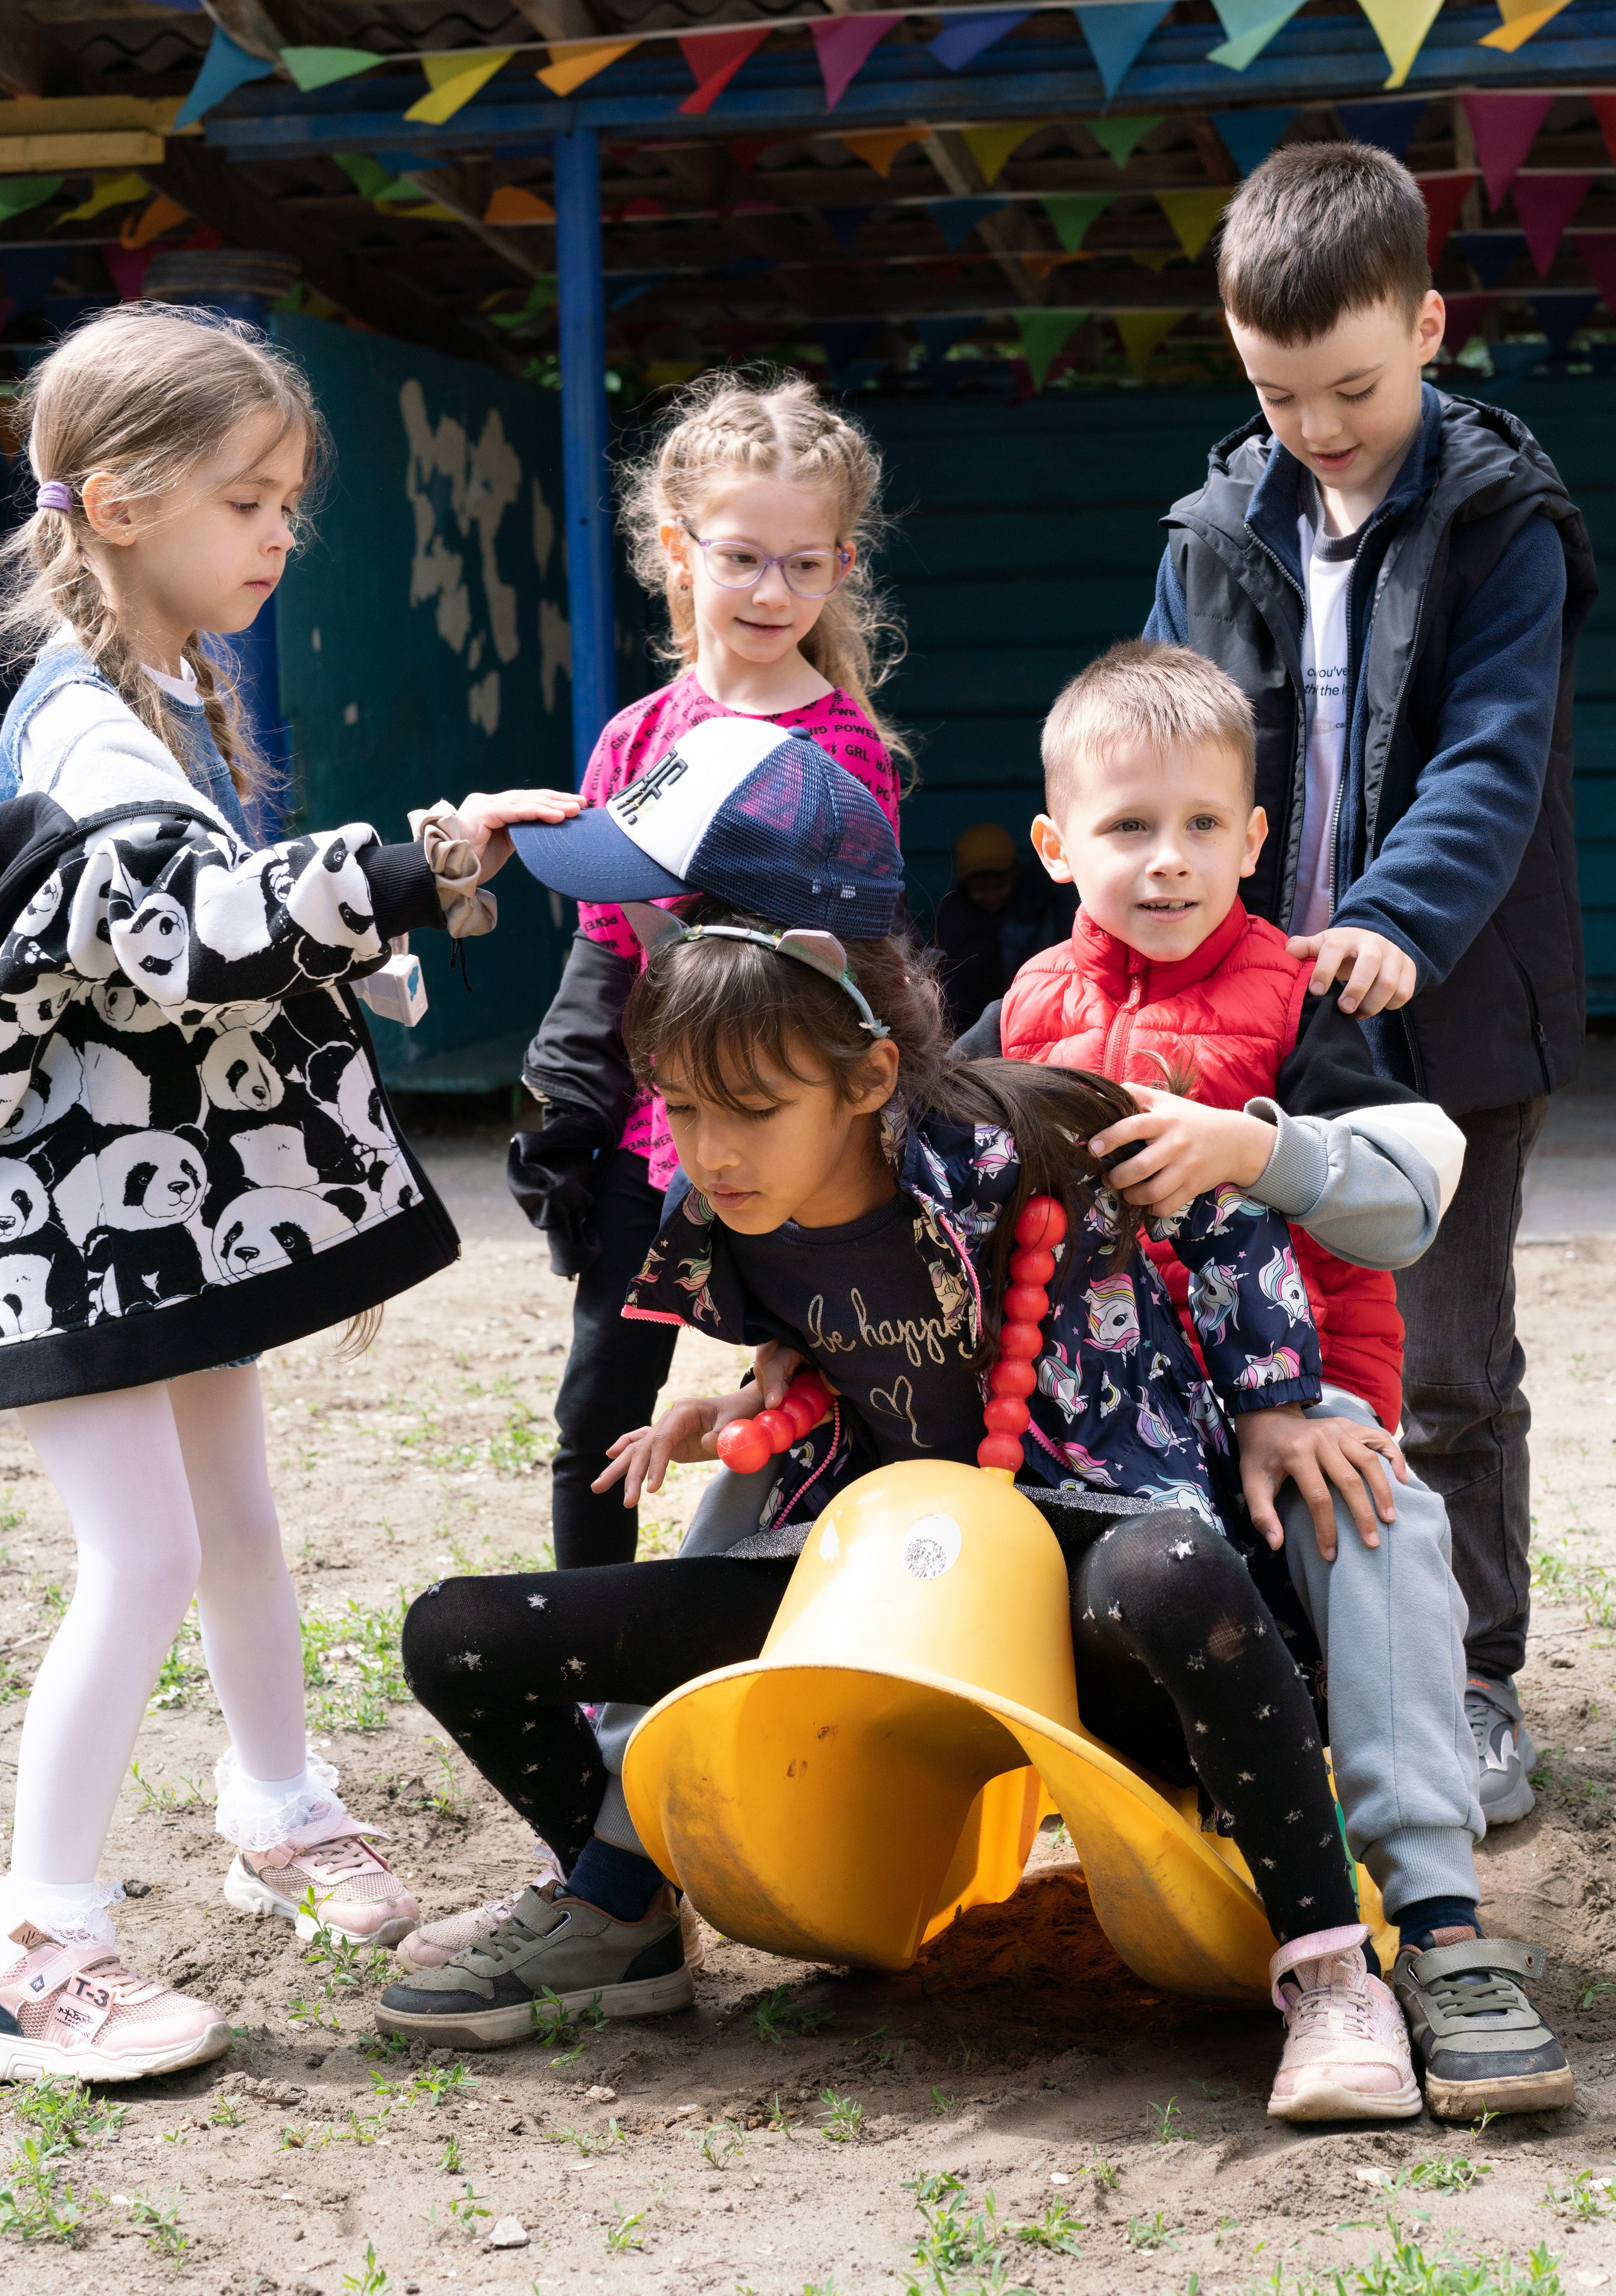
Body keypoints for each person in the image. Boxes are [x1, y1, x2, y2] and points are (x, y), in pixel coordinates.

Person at [382, 756, 1432, 2126]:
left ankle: (1326, 1967)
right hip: (888, 1590)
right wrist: (745, 1410)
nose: (712, 1152)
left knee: (1178, 1571)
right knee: (458, 1631)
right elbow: (829, 1357)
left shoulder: (1021, 1130)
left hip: (1094, 1564)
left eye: (751, 1112)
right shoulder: (720, 1216)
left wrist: (1280, 1392)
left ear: (870, 1073)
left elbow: (1217, 1210)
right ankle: (618, 1901)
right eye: (682, 1109)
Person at [0, 302, 573, 2081]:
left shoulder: (157, 689)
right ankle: (43, 1938)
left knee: (238, 1521)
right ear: (114, 503)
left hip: (146, 1210)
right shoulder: (83, 726)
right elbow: (187, 931)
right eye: (246, 500)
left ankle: (277, 1805)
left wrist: (382, 933)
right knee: (150, 1544)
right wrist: (426, 859)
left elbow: (205, 938)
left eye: (285, 504)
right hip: (66, 1228)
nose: (274, 535)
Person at [985, 639, 1569, 2119]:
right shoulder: (1023, 1014)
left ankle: (1436, 1923)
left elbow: (1401, 1199)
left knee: (1374, 1518)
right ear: (1056, 844)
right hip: (1095, 1425)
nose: (1165, 862)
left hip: (1301, 1401)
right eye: (1125, 828)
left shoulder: (1297, 1006)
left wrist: (1258, 1145)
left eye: (1199, 827)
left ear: (1253, 838)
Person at [1144, 140, 1598, 1828]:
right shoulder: (1211, 529)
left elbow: (1491, 754)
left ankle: (1470, 1675)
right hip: (1251, 1015)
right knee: (1250, 1336)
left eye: (1349, 384)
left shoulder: (1504, 523)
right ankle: (1293, 1653)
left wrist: (1398, 910)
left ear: (1428, 323)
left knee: (1448, 1356)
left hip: (1452, 1015)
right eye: (1278, 394)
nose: (1318, 427)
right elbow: (1153, 724)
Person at [507, 371, 901, 1580]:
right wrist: (570, 1085)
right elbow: (609, 936)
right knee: (595, 1411)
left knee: (820, 1388)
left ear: (841, 566)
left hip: (782, 1138)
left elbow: (856, 967)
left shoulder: (844, 751)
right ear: (678, 550)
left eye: (804, 564)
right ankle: (591, 1652)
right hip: (649, 1137)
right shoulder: (635, 736)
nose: (772, 591)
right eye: (742, 558)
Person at [935, 823, 1019, 1033]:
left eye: (998, 886)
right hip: (969, 1020)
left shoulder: (1026, 906)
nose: (991, 896)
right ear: (965, 886)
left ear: (1013, 876)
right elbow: (951, 983)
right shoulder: (956, 916)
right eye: (980, 889)